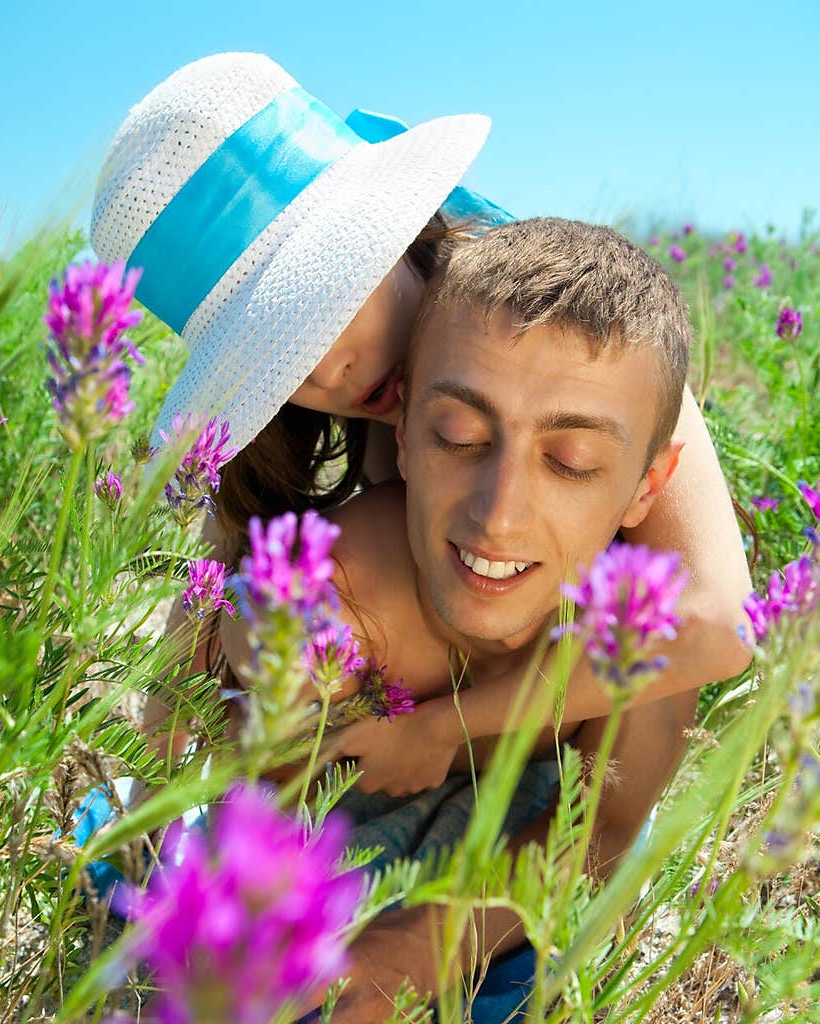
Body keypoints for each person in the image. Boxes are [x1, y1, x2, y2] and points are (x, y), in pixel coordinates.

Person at [89, 52, 751, 794]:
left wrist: (442, 729)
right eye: (275, 356)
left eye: (325, 308)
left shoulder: (569, 327)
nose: (325, 372)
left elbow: (717, 620)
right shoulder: (314, 406)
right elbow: (207, 592)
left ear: (393, 235)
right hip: (422, 689)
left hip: (590, 698)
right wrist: (150, 795)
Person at [219, 216, 725, 1024]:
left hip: (524, 872)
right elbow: (267, 812)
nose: (498, 515)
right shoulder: (340, 595)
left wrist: (418, 949)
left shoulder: (646, 630)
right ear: (405, 431)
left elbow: (603, 826)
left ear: (647, 486)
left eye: (569, 460)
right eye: (460, 437)